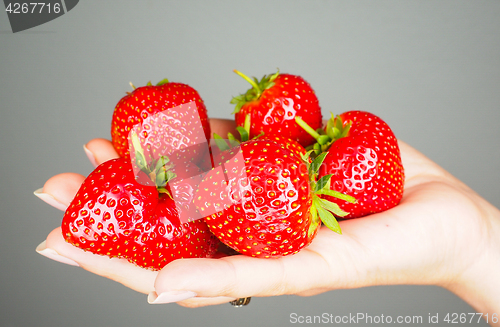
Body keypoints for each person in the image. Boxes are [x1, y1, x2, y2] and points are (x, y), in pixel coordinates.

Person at [34, 119, 500, 325]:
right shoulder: (272, 167)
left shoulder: (281, 174)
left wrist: (477, 249)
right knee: (172, 157)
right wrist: (478, 251)